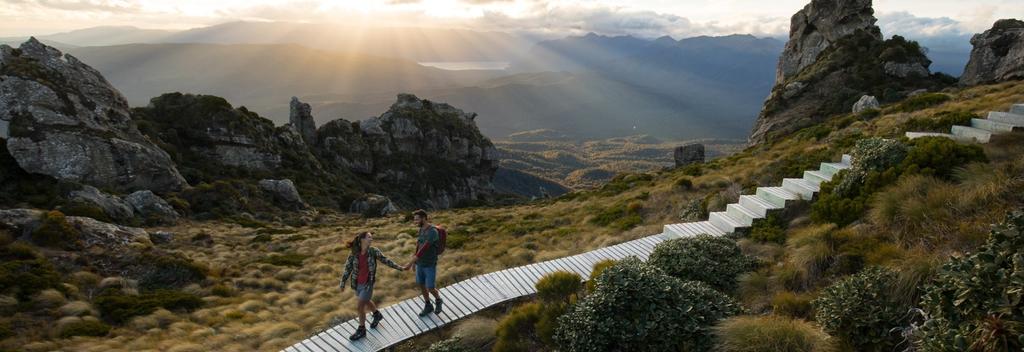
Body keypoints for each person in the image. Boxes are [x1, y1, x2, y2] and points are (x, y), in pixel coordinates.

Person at [340, 231, 404, 341]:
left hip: (368, 284)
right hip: (357, 284)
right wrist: (342, 282)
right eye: (369, 237)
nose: (371, 239)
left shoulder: (373, 251)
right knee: (367, 300)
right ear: (362, 239)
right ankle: (376, 314)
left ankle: (361, 330)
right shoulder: (354, 252)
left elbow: (385, 260)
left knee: (360, 307)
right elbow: (348, 268)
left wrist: (400, 267)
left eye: (371, 237)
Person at [403, 209, 444, 316]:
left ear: (424, 218)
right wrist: (415, 262)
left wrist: (410, 263)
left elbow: (423, 249)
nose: (415, 222)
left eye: (417, 219)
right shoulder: (421, 229)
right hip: (419, 263)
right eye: (414, 219)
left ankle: (438, 300)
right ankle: (428, 305)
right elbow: (419, 245)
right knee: (421, 284)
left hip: (429, 264)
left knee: (430, 287)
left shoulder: (433, 232)